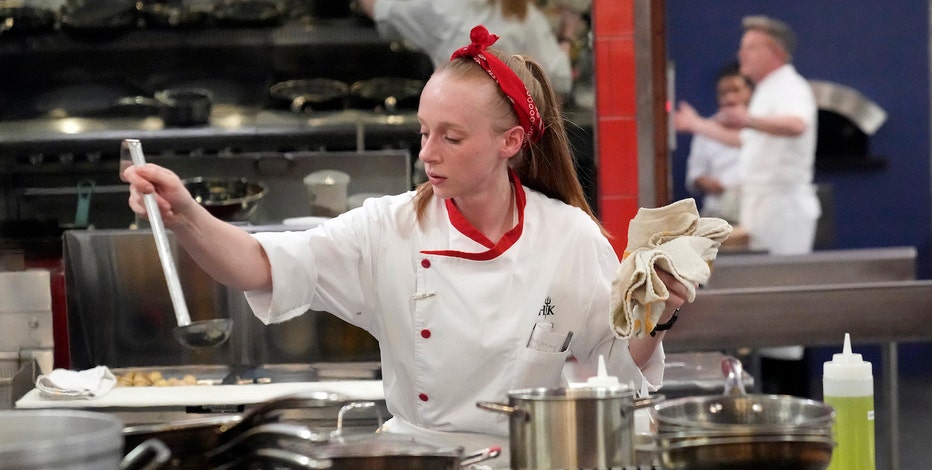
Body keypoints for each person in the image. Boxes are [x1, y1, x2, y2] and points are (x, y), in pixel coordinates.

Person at [122, 25, 688, 462]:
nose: (428, 152)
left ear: (509, 141)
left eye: (451, 136)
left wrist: (657, 316)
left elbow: (616, 375)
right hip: (420, 460)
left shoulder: (571, 237)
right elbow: (260, 264)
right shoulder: (387, 228)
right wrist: (185, 216)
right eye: (423, 131)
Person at [720, 15, 820, 396]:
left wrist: (748, 119)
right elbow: (751, 142)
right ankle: (773, 394)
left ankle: (793, 399)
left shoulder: (790, 87)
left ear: (774, 52)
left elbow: (797, 125)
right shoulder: (765, 90)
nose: (741, 55)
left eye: (749, 48)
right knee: (767, 313)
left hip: (784, 213)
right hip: (763, 208)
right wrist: (699, 125)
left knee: (785, 313)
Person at [356, 0, 577, 95]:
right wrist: (567, 34)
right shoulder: (524, 15)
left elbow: (378, 7)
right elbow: (559, 77)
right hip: (509, 142)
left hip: (452, 131)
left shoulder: (437, 6)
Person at [674, 61, 753, 225]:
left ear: (750, 92)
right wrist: (708, 183)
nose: (729, 98)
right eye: (723, 93)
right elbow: (694, 175)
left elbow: (743, 140)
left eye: (736, 90)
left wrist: (695, 124)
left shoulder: (764, 126)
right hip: (719, 214)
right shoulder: (705, 131)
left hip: (757, 211)